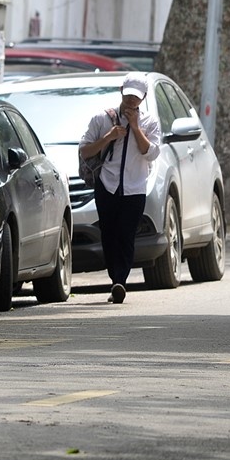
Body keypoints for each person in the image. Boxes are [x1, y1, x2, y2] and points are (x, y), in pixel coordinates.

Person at [79, 73, 161, 304]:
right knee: (109, 233)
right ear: (121, 91)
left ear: (143, 97)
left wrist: (135, 127)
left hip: (135, 188)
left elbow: (152, 152)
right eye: (128, 95)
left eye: (136, 97)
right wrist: (108, 137)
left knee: (126, 234)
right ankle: (115, 278)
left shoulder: (150, 123)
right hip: (107, 184)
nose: (131, 101)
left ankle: (120, 281)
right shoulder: (102, 119)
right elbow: (85, 151)